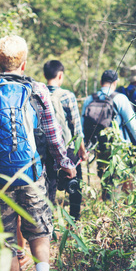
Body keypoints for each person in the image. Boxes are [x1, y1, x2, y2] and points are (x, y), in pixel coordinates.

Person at [0, 35, 76, 271]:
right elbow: (54, 137)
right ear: (24, 64)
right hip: (33, 176)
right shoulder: (38, 91)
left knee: (6, 246)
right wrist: (66, 165)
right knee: (39, 233)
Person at [81, 69, 136, 200]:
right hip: (119, 147)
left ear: (101, 82)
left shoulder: (89, 99)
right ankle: (115, 211)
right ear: (115, 82)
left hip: (99, 146)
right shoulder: (120, 98)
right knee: (119, 179)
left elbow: (82, 125)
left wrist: (84, 147)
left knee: (104, 177)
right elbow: (132, 125)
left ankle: (107, 206)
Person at [43, 60, 88, 220]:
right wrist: (82, 151)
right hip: (67, 148)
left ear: (45, 75)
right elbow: (76, 128)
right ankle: (74, 220)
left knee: (49, 186)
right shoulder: (67, 96)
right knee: (75, 184)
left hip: (45, 149)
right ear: (60, 75)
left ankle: (47, 222)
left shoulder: (39, 94)